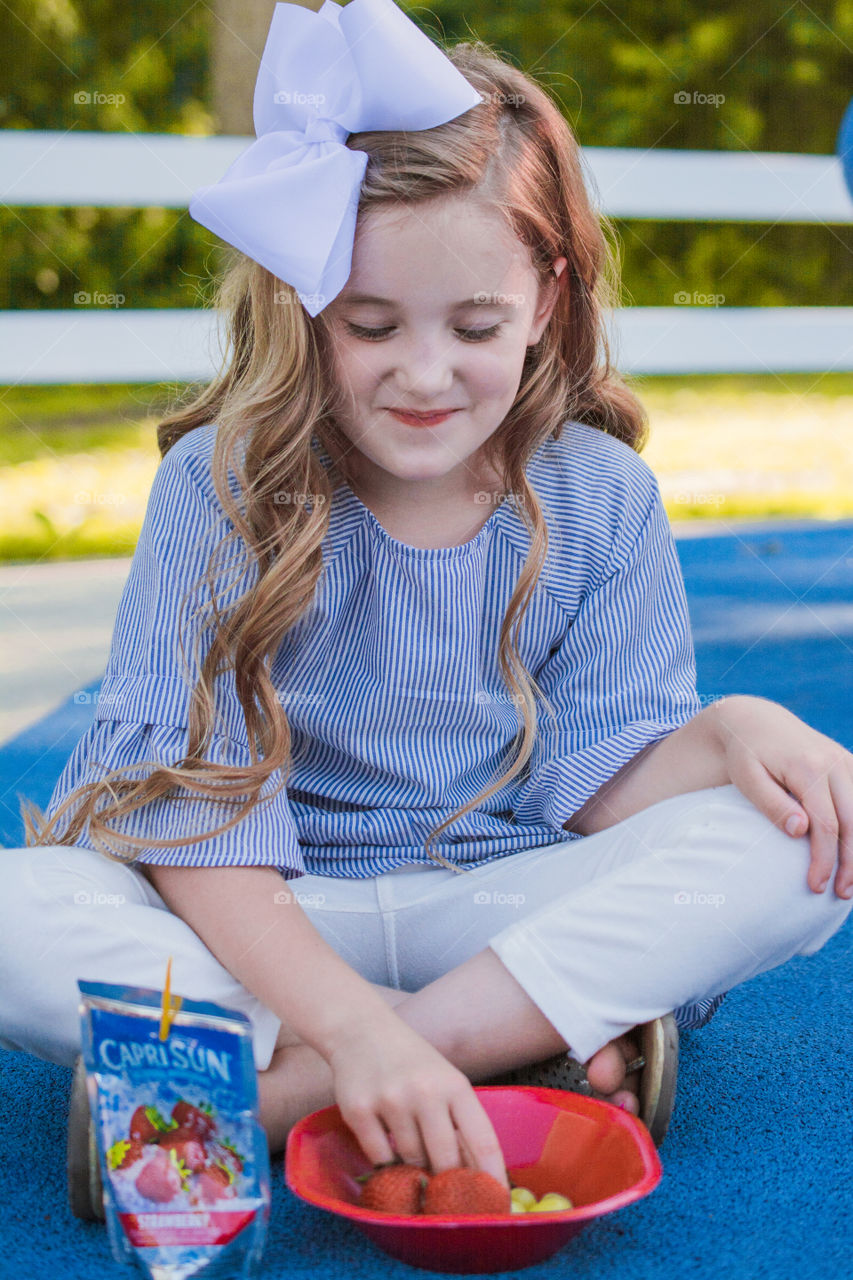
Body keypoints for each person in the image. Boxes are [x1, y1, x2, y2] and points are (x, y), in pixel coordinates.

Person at [2, 0, 852, 1190]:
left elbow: (604, 776)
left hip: (494, 895)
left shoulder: (602, 494)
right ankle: (526, 1040)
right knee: (15, 908)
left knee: (788, 841)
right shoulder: (221, 487)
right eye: (370, 324)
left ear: (546, 302)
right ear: (307, 302)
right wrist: (349, 1015)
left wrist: (734, 732)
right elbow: (189, 824)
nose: (424, 372)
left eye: (475, 324)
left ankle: (277, 1082)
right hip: (267, 916)